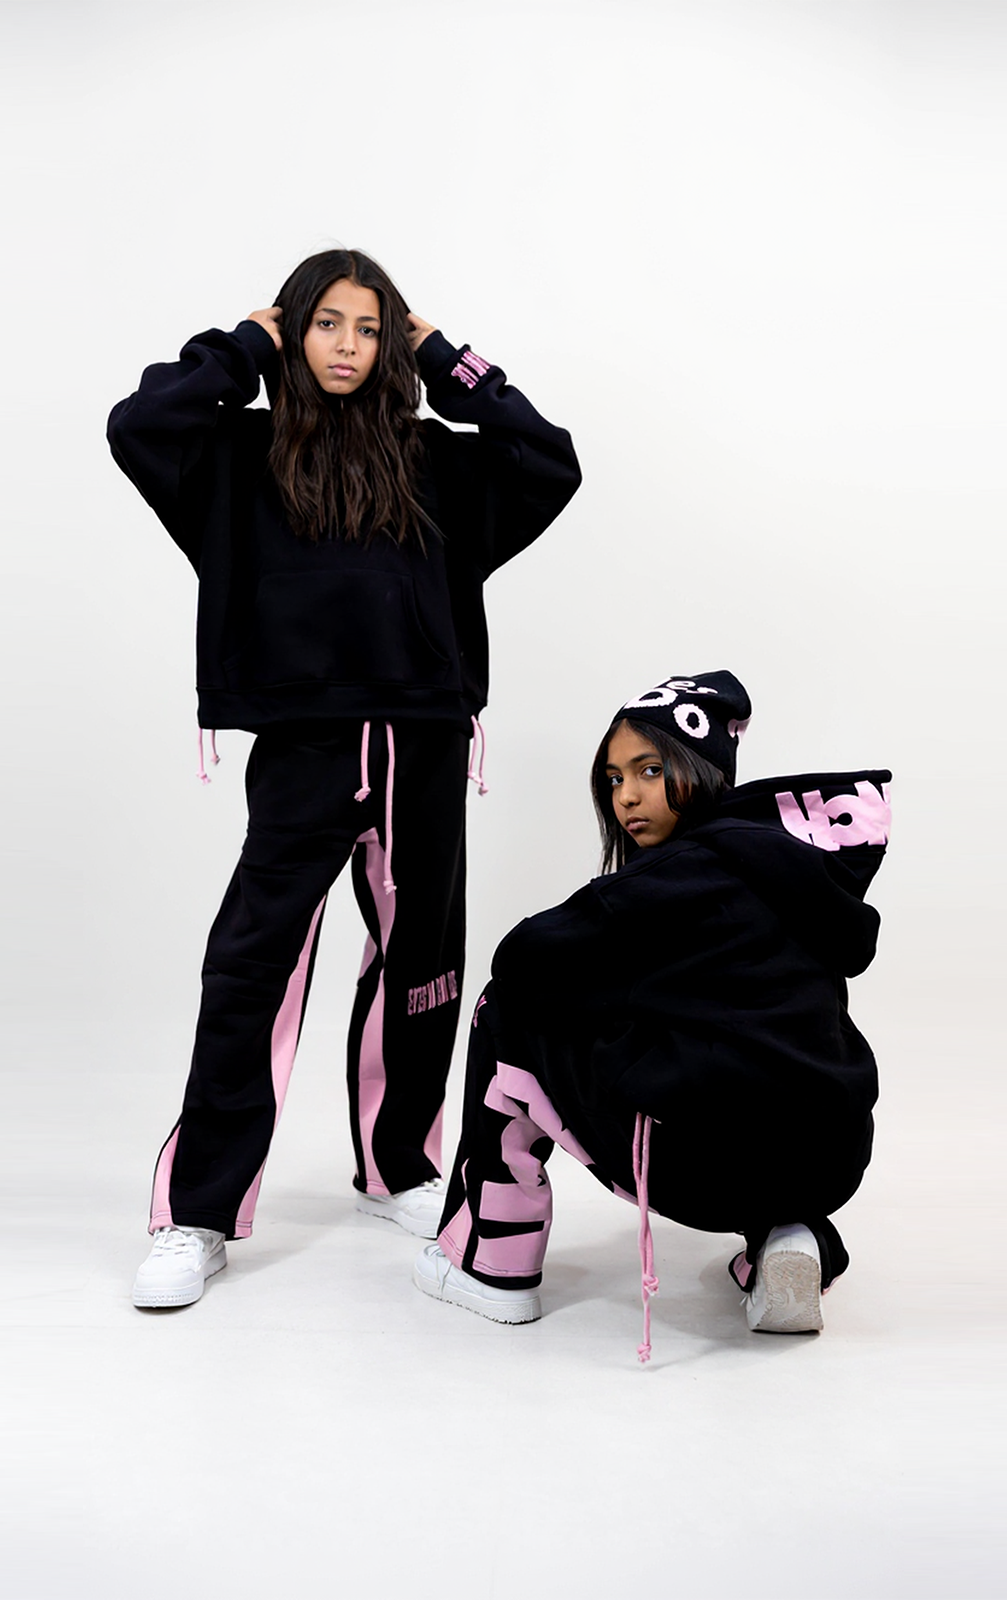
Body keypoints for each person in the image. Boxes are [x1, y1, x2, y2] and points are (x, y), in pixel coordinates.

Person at [107, 248, 581, 1308]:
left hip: (425, 742)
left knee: (423, 966)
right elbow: (137, 426)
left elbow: (548, 459)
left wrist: (448, 360)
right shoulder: (234, 456)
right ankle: (197, 1212)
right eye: (327, 323)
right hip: (305, 748)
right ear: (294, 330)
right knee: (252, 970)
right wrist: (243, 345)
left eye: (370, 329)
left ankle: (399, 1167)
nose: (349, 346)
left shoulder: (433, 461)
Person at [414, 672, 890, 1357]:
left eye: (649, 769)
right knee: (754, 1071)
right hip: (830, 1157)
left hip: (704, 1168)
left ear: (703, 770)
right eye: (613, 779)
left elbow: (519, 957)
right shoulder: (798, 874)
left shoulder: (661, 882)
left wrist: (603, 995)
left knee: (506, 1006)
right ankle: (788, 1237)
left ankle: (489, 1262)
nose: (626, 797)